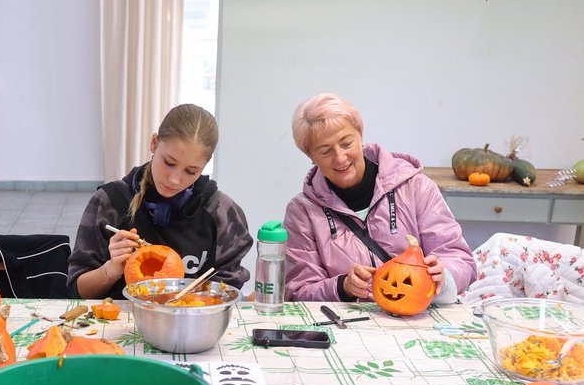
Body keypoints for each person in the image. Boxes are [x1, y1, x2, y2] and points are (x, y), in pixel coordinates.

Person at [284, 93, 476, 303]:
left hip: (421, 319)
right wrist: (342, 286)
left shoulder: (415, 187)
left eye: (346, 143)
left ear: (360, 135)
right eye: (325, 151)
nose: (340, 158)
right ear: (310, 156)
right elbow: (298, 291)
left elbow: (462, 261)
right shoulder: (302, 212)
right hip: (350, 328)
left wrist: (444, 275)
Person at [68, 104, 253, 299]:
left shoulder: (222, 213)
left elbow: (228, 297)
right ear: (154, 143)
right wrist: (111, 269)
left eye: (191, 171)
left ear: (205, 165)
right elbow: (76, 291)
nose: (174, 179)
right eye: (169, 163)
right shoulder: (109, 203)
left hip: (192, 325)